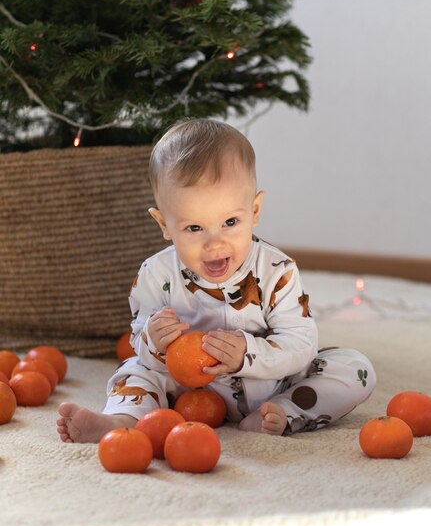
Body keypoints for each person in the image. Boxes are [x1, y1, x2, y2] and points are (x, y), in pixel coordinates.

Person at [57, 118, 376, 443]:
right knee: (135, 368)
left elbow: (301, 343)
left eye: (230, 222)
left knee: (354, 368)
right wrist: (154, 340)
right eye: (194, 228)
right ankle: (121, 421)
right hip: (185, 390)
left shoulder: (277, 270)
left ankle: (283, 413)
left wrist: (247, 354)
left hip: (269, 384)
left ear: (254, 210)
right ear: (164, 224)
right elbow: (140, 339)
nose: (214, 243)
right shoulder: (156, 274)